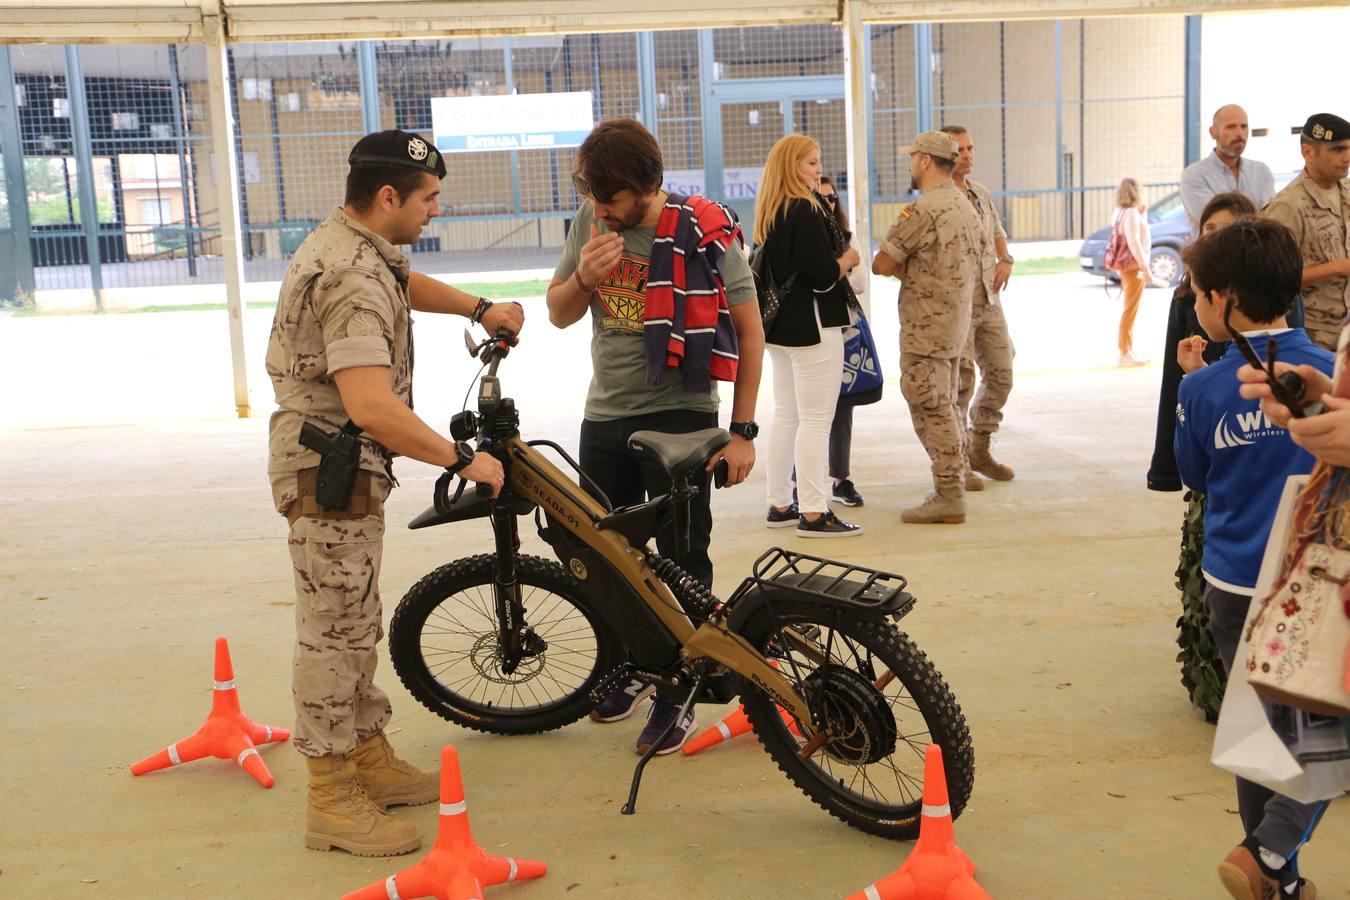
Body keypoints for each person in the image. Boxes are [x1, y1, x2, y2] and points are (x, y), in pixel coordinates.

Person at [266, 129, 523, 857]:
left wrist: (479, 308)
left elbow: (402, 283)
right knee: (332, 631)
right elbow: (373, 405)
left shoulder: (358, 248)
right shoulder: (347, 275)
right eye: (429, 198)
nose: (435, 210)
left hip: (343, 466)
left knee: (356, 617)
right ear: (389, 197)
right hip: (330, 470)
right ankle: (331, 795)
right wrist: (461, 460)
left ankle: (365, 753)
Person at [545, 118, 764, 753]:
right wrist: (584, 276)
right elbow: (558, 313)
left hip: (683, 420)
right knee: (605, 557)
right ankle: (636, 665)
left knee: (681, 560)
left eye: (610, 199)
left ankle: (683, 682)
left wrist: (742, 432)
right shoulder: (592, 222)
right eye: (592, 197)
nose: (600, 211)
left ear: (647, 186)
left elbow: (751, 334)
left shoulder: (703, 232)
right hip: (605, 417)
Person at [1174, 217, 1333, 900]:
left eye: (1200, 293)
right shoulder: (1328, 370)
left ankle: (1275, 867)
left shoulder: (1203, 389)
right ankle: (1271, 857)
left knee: (1257, 735)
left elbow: (1197, 477)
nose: (1195, 303)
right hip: (1317, 581)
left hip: (1235, 584)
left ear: (1228, 299)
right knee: (1327, 729)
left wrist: (1194, 386)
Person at [872, 131, 985, 524]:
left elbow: (882, 263)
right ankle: (951, 483)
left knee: (931, 407)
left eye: (912, 157)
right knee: (947, 405)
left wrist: (912, 271)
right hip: (955, 327)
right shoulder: (965, 204)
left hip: (926, 327)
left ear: (924, 161)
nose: (909, 164)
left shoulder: (923, 210)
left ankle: (949, 493)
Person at [758, 138, 862, 538]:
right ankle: (815, 513)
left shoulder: (773, 209)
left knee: (788, 415)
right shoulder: (804, 208)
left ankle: (780, 502)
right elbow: (822, 275)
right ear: (791, 166)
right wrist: (848, 259)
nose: (818, 169)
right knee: (817, 420)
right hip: (814, 325)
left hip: (781, 328)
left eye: (819, 162)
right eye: (810, 163)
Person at [1147, 192, 1259, 492]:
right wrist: (1165, 468)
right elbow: (1173, 382)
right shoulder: (1187, 294)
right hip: (1209, 436)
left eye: (1229, 230)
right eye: (1210, 229)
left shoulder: (1273, 292)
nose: (1217, 239)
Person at [941, 125, 1016, 484]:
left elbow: (998, 233)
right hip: (956, 305)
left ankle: (979, 446)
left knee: (1002, 373)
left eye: (971, 148)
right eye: (961, 149)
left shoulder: (979, 192)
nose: (968, 155)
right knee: (959, 383)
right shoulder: (938, 199)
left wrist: (1006, 260)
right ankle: (958, 464)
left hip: (989, 300)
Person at [1263, 112, 1350, 351]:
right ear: (1308, 152)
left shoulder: (1347, 191)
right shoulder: (1288, 207)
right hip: (1315, 335)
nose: (1346, 157)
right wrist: (1338, 267)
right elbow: (1271, 279)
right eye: (1337, 150)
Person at [816, 174, 871, 508]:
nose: (828, 204)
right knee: (805, 412)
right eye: (821, 198)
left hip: (844, 333)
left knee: (842, 408)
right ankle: (798, 484)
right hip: (809, 336)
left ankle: (841, 478)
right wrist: (841, 268)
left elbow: (862, 281)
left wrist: (837, 269)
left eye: (832, 198)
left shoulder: (847, 238)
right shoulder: (805, 236)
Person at [1180, 105, 1277, 228]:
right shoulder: (1194, 175)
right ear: (1213, 132)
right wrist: (1257, 219)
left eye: (1244, 126)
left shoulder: (1261, 171)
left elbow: (1272, 218)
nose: (1239, 133)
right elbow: (1218, 224)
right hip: (1215, 247)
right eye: (1231, 127)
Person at [1110, 177, 1154, 367]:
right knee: (1130, 309)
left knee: (1130, 308)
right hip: (1133, 268)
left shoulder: (1120, 212)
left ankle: (1128, 350)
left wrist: (1142, 215)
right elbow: (1134, 241)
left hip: (1127, 267)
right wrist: (1146, 269)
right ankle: (1125, 352)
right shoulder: (1131, 214)